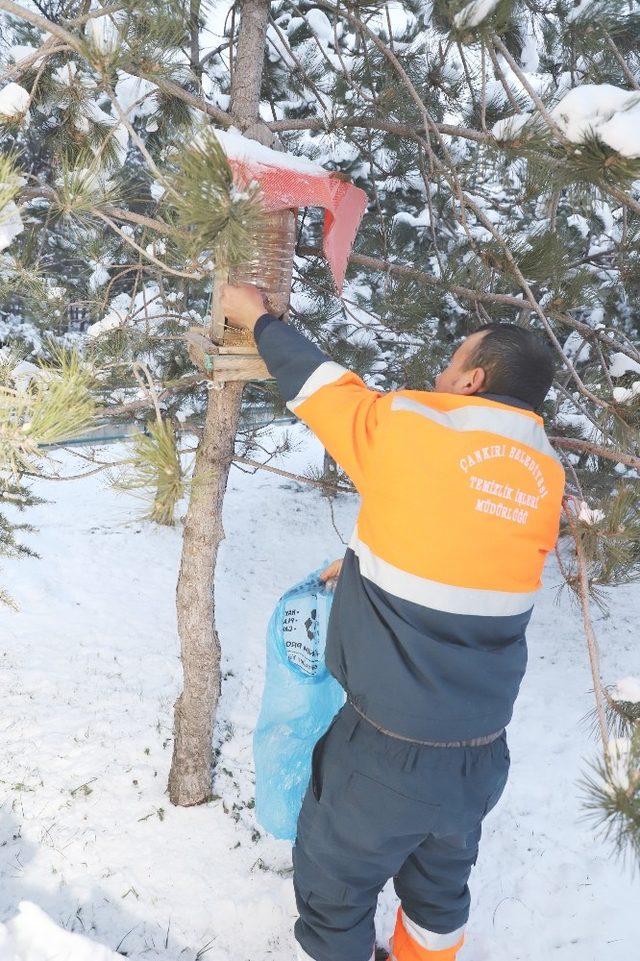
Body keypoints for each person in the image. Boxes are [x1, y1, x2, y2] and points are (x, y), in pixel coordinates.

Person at [220, 282, 565, 961]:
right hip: (481, 755)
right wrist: (352, 568)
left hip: (385, 756)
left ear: (472, 378)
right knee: (439, 893)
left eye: (449, 365)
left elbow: (318, 383)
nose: (438, 376)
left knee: (335, 888)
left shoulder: (415, 425)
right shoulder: (544, 479)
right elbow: (459, 550)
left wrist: (254, 314)